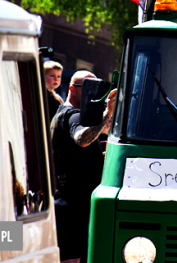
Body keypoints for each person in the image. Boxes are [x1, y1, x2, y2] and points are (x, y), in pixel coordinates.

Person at [51, 71, 117, 261]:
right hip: (73, 206)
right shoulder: (72, 115)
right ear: (72, 89)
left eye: (97, 88)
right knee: (72, 258)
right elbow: (81, 139)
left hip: (69, 203)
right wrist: (107, 114)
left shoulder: (62, 114)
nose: (94, 94)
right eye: (88, 88)